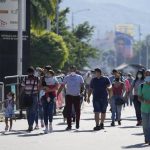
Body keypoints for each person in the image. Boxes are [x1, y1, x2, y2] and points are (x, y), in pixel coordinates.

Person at [57, 66, 84, 130]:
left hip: (77, 95)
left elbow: (82, 86)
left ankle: (77, 123)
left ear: (75, 70)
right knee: (68, 111)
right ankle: (69, 125)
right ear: (69, 70)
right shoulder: (67, 77)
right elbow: (62, 86)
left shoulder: (79, 77)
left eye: (73, 69)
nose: (72, 71)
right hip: (69, 96)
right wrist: (57, 93)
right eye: (71, 69)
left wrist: (82, 92)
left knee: (77, 111)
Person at [21, 66, 39, 132]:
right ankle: (30, 125)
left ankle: (30, 125)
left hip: (27, 96)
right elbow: (38, 88)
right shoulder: (36, 79)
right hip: (34, 96)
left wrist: (19, 96)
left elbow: (22, 88)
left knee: (29, 111)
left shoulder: (25, 79)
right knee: (32, 111)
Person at [41, 69, 59, 134]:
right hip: (44, 96)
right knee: (44, 112)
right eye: (46, 73)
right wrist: (44, 88)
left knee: (50, 111)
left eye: (48, 73)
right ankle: (46, 127)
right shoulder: (43, 79)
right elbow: (40, 87)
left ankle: (50, 124)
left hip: (51, 95)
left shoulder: (54, 79)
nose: (47, 74)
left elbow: (57, 87)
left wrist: (49, 90)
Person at [138, 70, 150, 145]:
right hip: (144, 109)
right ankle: (146, 138)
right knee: (145, 125)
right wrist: (145, 101)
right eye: (147, 75)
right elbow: (139, 97)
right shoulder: (141, 86)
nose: (148, 76)